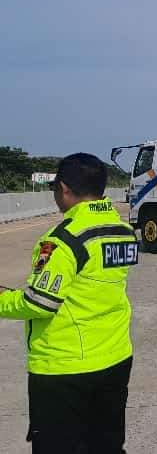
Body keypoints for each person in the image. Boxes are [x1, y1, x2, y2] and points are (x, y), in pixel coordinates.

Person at [0, 153, 137, 453]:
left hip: (64, 369)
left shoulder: (62, 241)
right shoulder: (122, 231)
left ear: (63, 189)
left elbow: (39, 302)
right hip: (115, 359)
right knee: (106, 445)